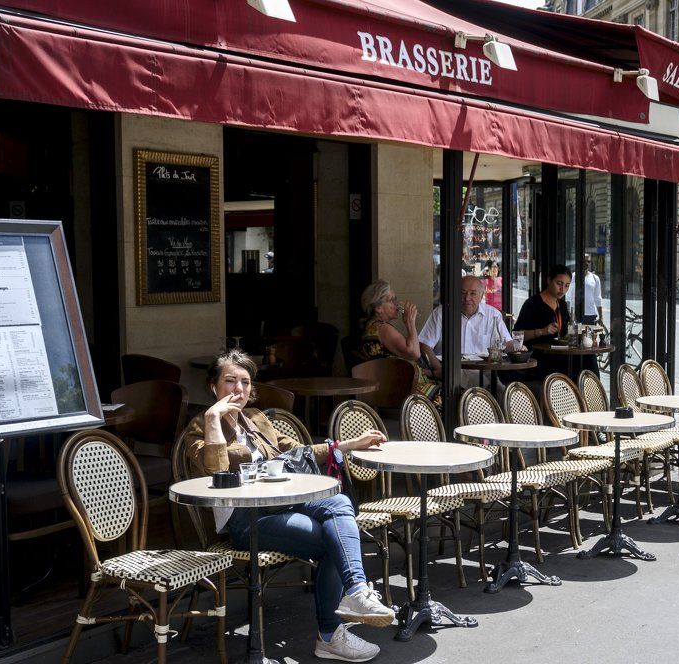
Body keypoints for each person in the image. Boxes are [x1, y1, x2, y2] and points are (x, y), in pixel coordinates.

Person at [182, 350, 392, 662]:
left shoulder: (256, 419)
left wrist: (346, 445)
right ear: (214, 386)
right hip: (246, 519)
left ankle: (357, 593)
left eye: (245, 382)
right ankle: (332, 634)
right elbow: (216, 468)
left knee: (338, 503)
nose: (239, 389)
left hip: (284, 504)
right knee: (334, 540)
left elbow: (298, 451)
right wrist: (214, 418)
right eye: (230, 381)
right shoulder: (199, 427)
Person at [360, 280, 442, 410]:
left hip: (393, 385)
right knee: (455, 398)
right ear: (378, 308)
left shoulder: (373, 326)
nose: (396, 304)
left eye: (395, 299)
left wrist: (433, 373)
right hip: (403, 389)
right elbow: (414, 353)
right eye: (391, 300)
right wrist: (410, 322)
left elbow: (399, 363)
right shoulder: (383, 328)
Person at [418, 275, 512, 386]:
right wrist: (440, 370)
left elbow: (507, 343)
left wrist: (518, 347)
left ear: (481, 295)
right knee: (488, 389)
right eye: (462, 293)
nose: (467, 298)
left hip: (483, 371)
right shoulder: (441, 313)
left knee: (503, 391)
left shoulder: (493, 315)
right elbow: (425, 346)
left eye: (473, 293)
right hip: (450, 369)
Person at [512, 264, 572, 380]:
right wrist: (541, 331)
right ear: (549, 280)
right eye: (559, 284)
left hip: (559, 354)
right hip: (538, 357)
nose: (562, 289)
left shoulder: (562, 305)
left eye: (567, 286)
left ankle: (590, 390)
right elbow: (517, 336)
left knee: (587, 359)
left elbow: (566, 332)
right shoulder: (533, 304)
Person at [565, 254, 606, 327]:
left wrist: (601, 317)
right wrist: (569, 315)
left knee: (590, 334)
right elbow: (567, 297)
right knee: (576, 334)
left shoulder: (595, 278)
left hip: (591, 315)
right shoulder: (572, 277)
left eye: (588, 261)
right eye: (584, 261)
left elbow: (598, 298)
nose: (586, 263)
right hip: (575, 314)